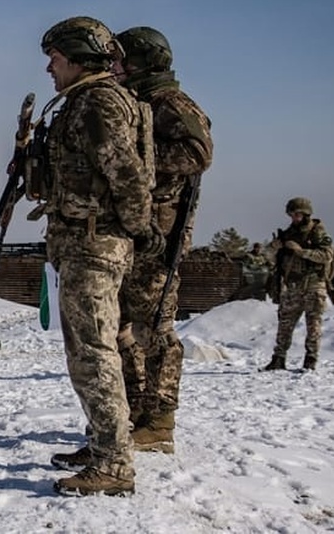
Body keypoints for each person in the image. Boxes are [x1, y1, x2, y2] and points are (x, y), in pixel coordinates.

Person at [34, 17, 155, 497]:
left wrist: (135, 229)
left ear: (79, 58)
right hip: (84, 243)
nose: (49, 68)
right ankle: (102, 442)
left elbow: (127, 175)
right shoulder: (86, 100)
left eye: (55, 59)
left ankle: (114, 464)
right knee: (88, 352)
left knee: (93, 354)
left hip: (95, 245)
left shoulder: (98, 101)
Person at [113, 26, 212, 456]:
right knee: (123, 328)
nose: (114, 67)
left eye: (120, 59)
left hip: (159, 237)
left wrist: (139, 160)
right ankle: (137, 408)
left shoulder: (170, 102)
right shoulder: (136, 102)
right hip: (132, 235)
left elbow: (198, 153)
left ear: (141, 62)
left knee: (155, 330)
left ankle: (160, 420)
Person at [262, 197, 334, 372]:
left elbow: (327, 255)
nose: (294, 218)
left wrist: (301, 252)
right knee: (285, 323)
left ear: (306, 214)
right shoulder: (289, 233)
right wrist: (274, 248)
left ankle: (310, 359)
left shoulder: (317, 232)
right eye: (291, 215)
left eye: (297, 215)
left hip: (313, 284)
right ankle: (278, 358)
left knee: (313, 324)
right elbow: (269, 258)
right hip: (293, 284)